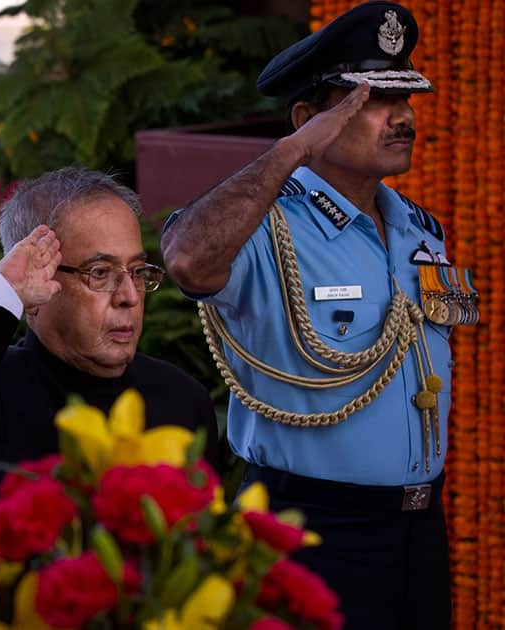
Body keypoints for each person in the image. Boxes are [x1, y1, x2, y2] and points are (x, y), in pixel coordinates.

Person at [161, 2, 461, 628]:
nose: (402, 117)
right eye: (371, 102)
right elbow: (186, 259)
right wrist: (292, 152)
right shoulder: (263, 230)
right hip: (307, 530)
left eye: (404, 99)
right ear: (308, 119)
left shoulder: (418, 230)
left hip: (417, 528)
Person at [0, 167, 220, 537]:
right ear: (35, 288)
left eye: (137, 271)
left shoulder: (181, 399)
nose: (128, 296)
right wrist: (1, 292)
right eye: (99, 272)